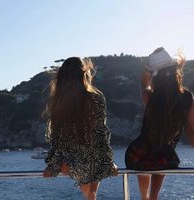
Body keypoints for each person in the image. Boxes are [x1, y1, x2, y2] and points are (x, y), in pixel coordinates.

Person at [43, 57, 117, 200]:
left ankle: (90, 195)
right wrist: (108, 161)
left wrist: (53, 164)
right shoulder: (96, 98)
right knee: (94, 159)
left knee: (78, 163)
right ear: (83, 74)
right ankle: (91, 195)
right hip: (91, 154)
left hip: (70, 157)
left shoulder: (58, 102)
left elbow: (57, 136)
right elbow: (100, 132)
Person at [125, 47, 194, 200]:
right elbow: (191, 129)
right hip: (165, 155)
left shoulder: (150, 97)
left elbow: (143, 84)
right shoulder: (187, 98)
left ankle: (144, 197)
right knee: (162, 156)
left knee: (146, 155)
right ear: (175, 71)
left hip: (139, 153)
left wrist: (147, 70)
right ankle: (153, 197)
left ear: (155, 76)